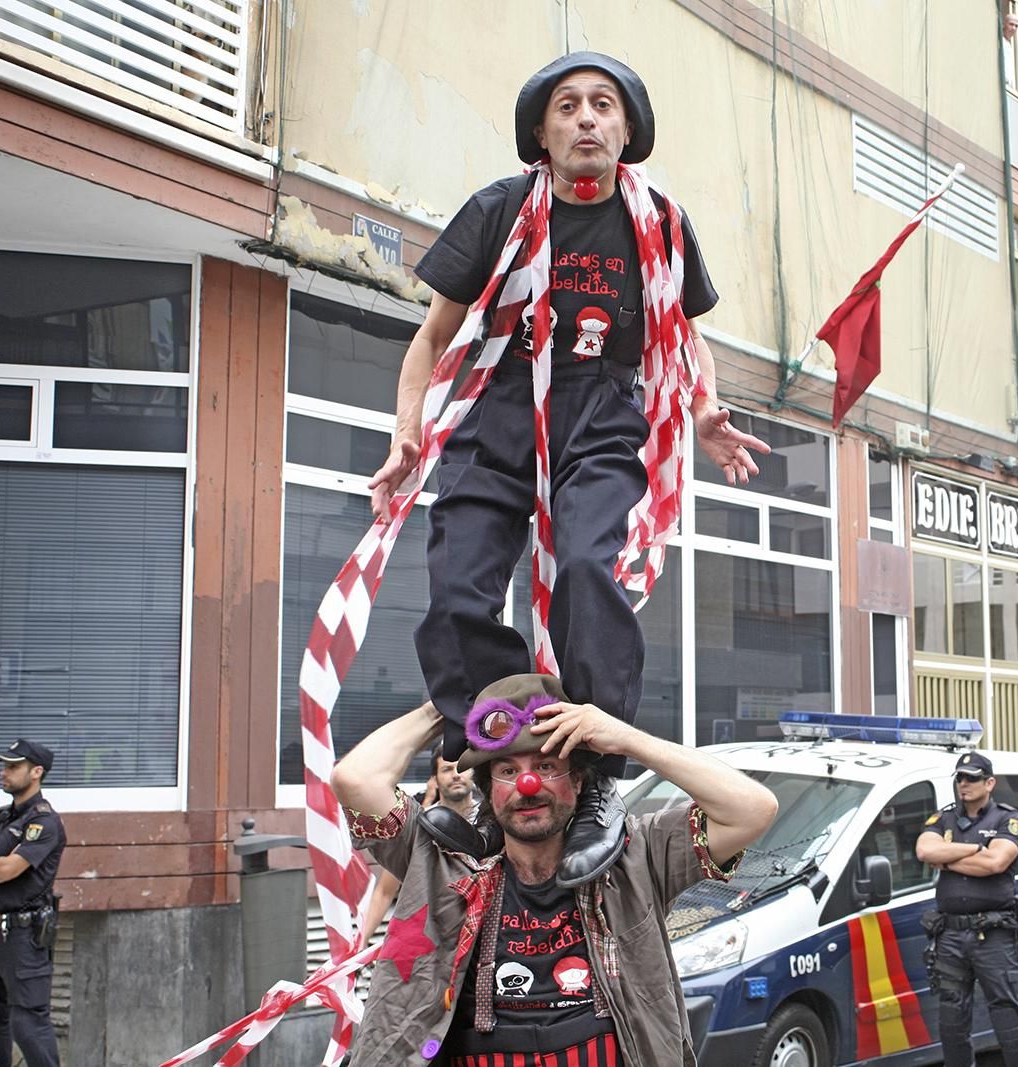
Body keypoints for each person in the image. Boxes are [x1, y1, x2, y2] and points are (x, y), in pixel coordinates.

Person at [368, 52, 771, 891]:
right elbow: (433, 336)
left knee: (589, 568)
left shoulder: (660, 223)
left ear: (628, 128)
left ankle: (592, 777)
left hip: (599, 410)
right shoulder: (499, 210)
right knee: (457, 591)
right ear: (542, 132)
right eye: (567, 106)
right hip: (499, 401)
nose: (586, 117)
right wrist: (407, 432)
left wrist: (703, 410)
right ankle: (493, 751)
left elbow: (685, 339)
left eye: (603, 104)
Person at [331, 674, 778, 1065]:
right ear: (489, 789)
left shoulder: (636, 855)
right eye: (508, 770)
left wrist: (626, 738)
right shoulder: (443, 863)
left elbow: (752, 810)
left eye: (546, 766)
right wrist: (445, 707)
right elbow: (356, 779)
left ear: (578, 781)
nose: (528, 785)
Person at [913, 751, 1018, 1067]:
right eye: (960, 778)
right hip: (951, 934)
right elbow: (924, 850)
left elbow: (996, 862)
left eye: (972, 778)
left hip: (993, 935)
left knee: (1008, 1017)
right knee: (952, 1020)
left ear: (989, 783)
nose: (964, 783)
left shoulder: (1007, 819)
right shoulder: (944, 818)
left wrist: (946, 859)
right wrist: (975, 849)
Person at [0, 740, 65, 1067]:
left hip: (23, 936)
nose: (4, 772)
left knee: (27, 1024)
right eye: (4, 766)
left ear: (36, 772)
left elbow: (8, 870)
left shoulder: (44, 822)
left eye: (13, 766)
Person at [362, 747, 479, 942]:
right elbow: (384, 891)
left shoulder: (491, 820)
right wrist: (361, 941)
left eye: (462, 768)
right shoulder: (420, 826)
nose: (456, 775)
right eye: (447, 769)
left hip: (483, 930)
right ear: (435, 779)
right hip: (434, 936)